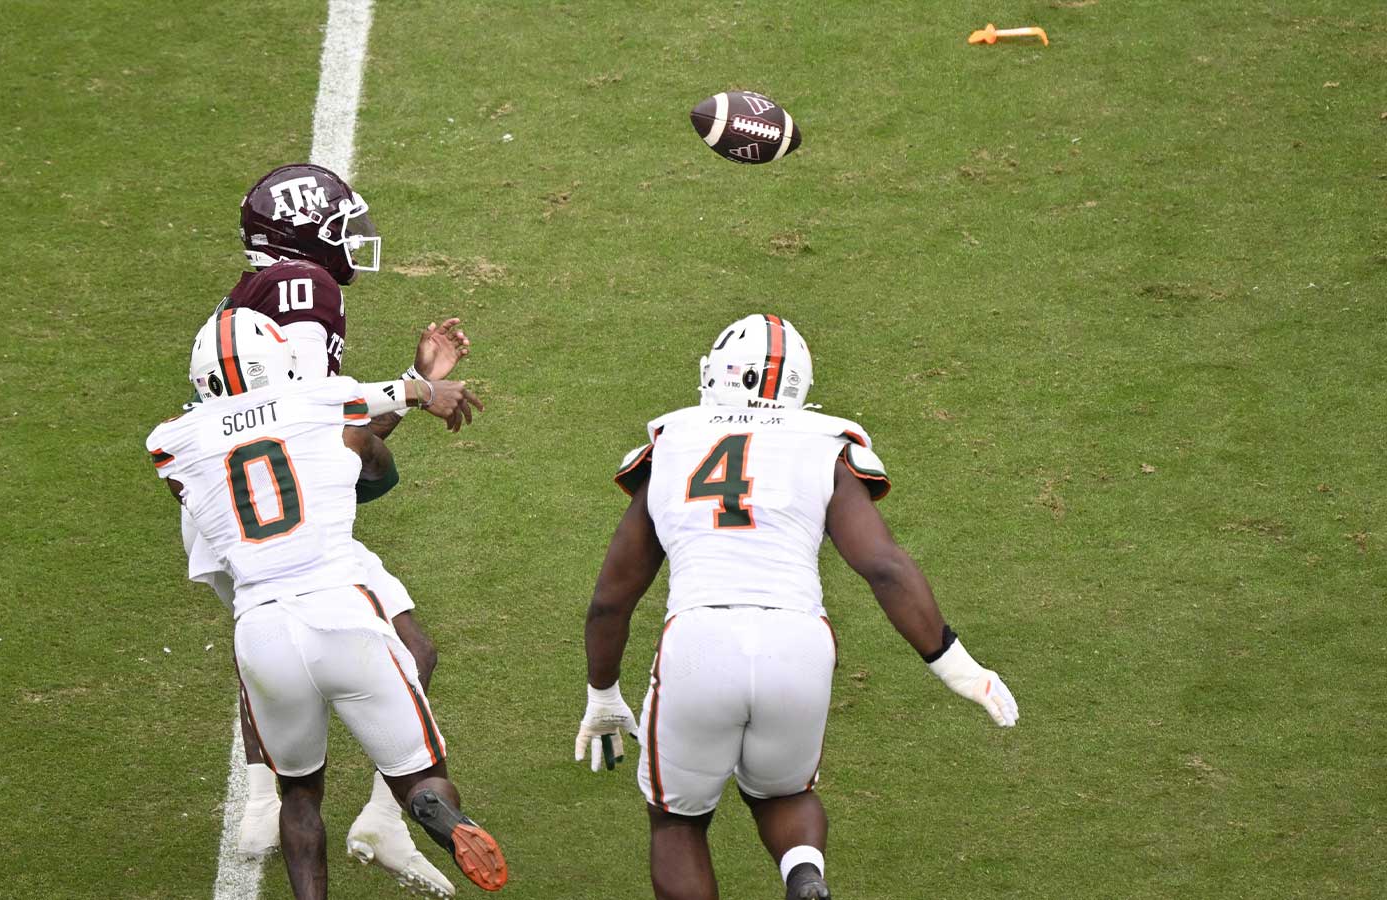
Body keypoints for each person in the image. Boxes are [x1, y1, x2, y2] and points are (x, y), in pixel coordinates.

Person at [574, 314, 1020, 900]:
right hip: (799, 642)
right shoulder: (825, 445)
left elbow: (611, 600)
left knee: (677, 822)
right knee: (784, 794)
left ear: (725, 372)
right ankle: (804, 876)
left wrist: (604, 694)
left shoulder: (674, 442)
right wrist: (958, 667)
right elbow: (884, 566)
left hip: (699, 640)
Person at [150, 308, 507, 898]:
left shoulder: (172, 443)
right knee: (420, 778)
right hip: (343, 613)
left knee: (298, 794)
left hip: (262, 630)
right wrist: (424, 388)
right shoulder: (322, 402)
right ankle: (437, 813)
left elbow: (259, 442)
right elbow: (368, 445)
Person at [192, 162, 466, 895]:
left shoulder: (247, 304)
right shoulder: (303, 283)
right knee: (406, 647)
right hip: (277, 514)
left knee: (270, 640)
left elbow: (318, 431)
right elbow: (326, 422)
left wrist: (406, 390)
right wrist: (416, 390)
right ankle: (381, 812)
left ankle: (271, 802)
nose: (350, 242)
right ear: (304, 235)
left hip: (228, 506)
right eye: (339, 227)